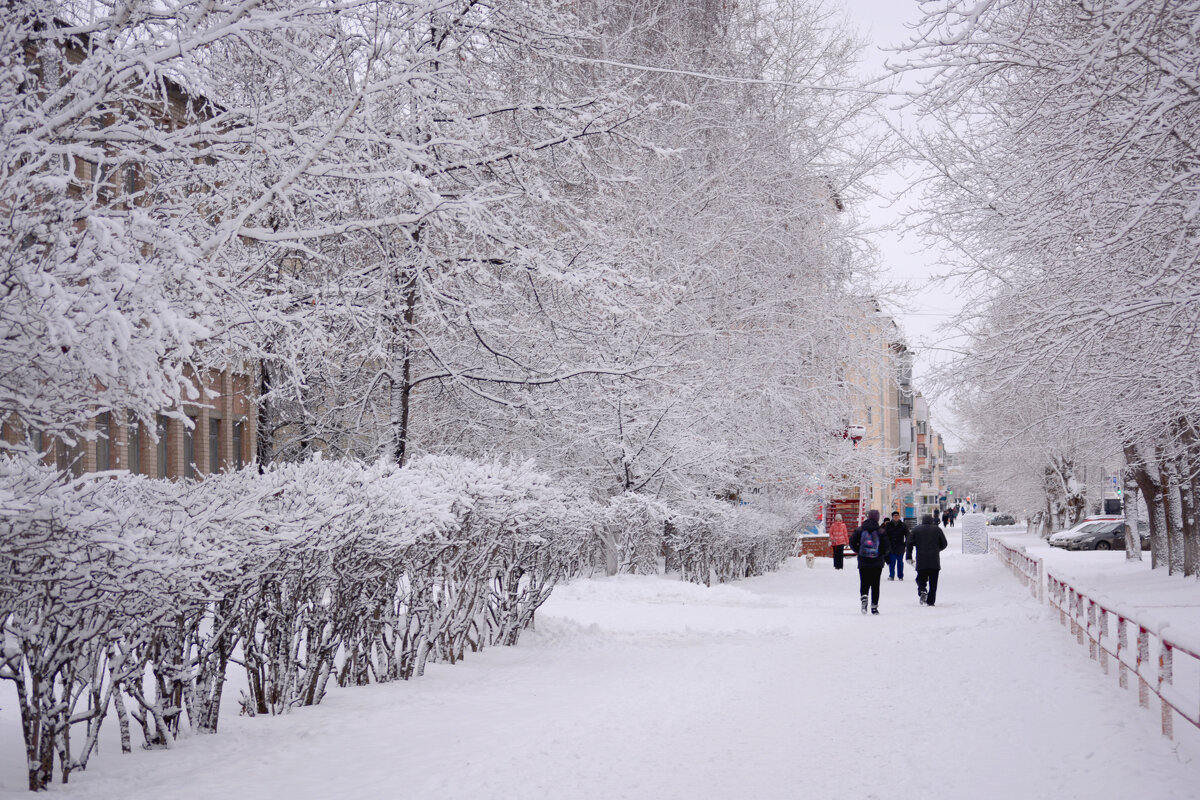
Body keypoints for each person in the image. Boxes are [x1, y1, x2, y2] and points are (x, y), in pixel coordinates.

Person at [850, 509, 889, 615]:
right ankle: (874, 607)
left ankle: (864, 598)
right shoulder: (881, 531)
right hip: (877, 562)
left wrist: (858, 551)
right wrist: (881, 554)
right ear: (877, 518)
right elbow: (887, 546)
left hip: (863, 561)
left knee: (864, 582)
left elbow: (852, 542)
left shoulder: (860, 530)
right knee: (875, 584)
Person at [908, 513, 949, 606]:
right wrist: (937, 549)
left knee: (920, 578)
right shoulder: (937, 529)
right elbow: (944, 543)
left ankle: (922, 590)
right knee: (933, 582)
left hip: (921, 559)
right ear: (931, 521)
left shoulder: (916, 530)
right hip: (934, 561)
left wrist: (909, 554)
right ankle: (931, 601)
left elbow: (909, 543)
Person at [882, 511, 907, 581]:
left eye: (897, 515)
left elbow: (908, 535)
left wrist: (905, 544)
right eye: (894, 516)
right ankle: (891, 575)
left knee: (900, 562)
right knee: (892, 562)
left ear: (899, 516)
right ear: (892, 517)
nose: (896, 517)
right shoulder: (888, 525)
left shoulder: (903, 525)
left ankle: (900, 576)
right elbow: (885, 535)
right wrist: (887, 544)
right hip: (891, 547)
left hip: (900, 547)